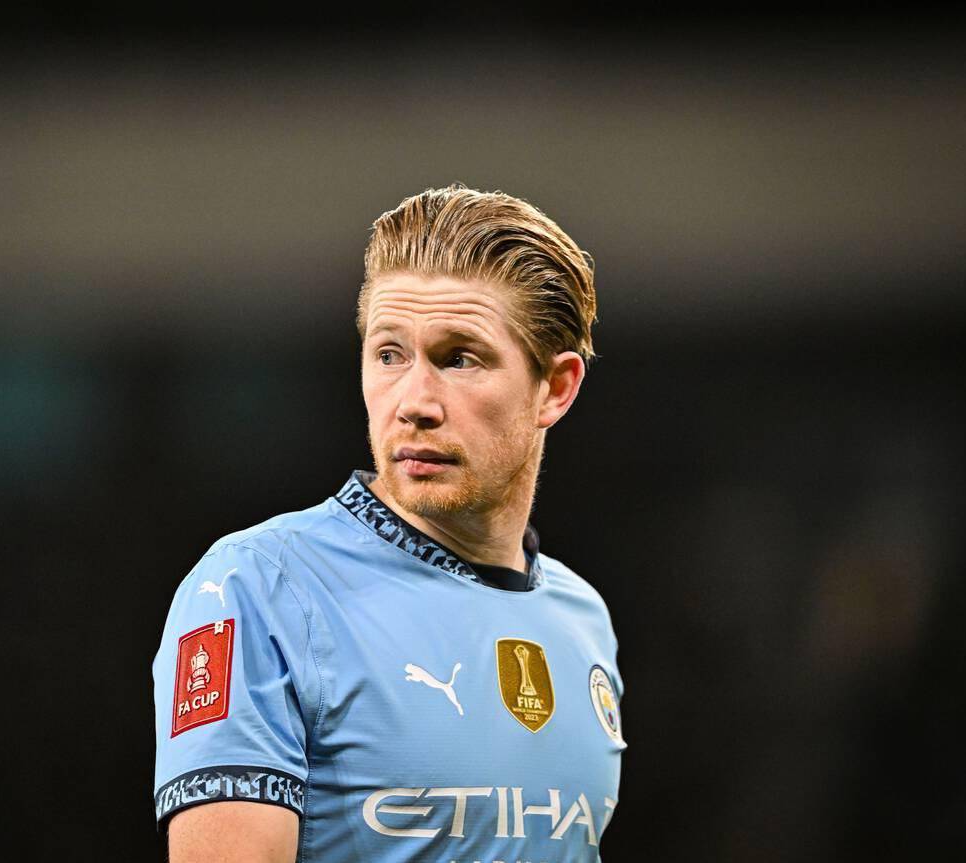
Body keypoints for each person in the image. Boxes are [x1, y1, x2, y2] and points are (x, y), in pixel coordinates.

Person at [152, 184, 625, 862]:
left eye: (459, 357)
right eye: (390, 354)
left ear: (555, 387)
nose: (414, 402)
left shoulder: (584, 620)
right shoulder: (255, 588)